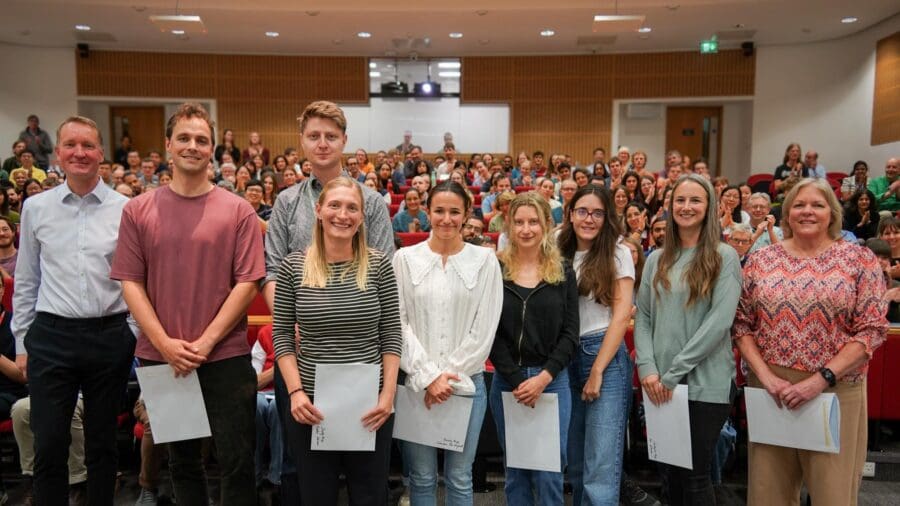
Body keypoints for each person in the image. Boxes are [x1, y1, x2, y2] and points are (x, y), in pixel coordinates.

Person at [111, 103, 265, 505]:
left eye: (201, 140)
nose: (192, 146)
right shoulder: (137, 210)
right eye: (184, 138)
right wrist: (164, 343)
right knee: (181, 462)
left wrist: (207, 342)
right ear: (168, 145)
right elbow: (131, 282)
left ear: (212, 148)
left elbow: (248, 282)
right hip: (162, 356)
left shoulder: (238, 210)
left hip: (226, 356)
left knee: (236, 460)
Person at [264, 101, 394, 501]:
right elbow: (274, 274)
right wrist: (298, 322)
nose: (322, 144)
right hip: (305, 360)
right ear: (302, 142)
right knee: (310, 479)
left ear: (344, 142)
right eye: (314, 136)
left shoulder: (370, 201)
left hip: (361, 368)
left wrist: (387, 392)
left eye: (331, 137)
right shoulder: (287, 202)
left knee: (367, 485)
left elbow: (385, 300)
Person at [732, 178, 888, 506]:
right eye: (799, 205)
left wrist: (819, 380)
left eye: (817, 205)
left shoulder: (859, 260)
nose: (807, 212)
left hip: (835, 389)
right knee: (766, 494)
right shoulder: (762, 261)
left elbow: (871, 330)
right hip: (771, 390)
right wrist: (766, 378)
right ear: (786, 214)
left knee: (833, 495)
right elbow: (742, 325)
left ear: (831, 213)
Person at [12, 116, 132, 505]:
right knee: (48, 443)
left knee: (101, 445)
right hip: (51, 336)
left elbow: (136, 279)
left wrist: (131, 330)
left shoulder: (125, 209)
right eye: (70, 145)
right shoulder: (35, 207)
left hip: (109, 335)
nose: (79, 153)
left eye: (88, 145)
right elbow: (27, 279)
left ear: (101, 153)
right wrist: (22, 341)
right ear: (58, 153)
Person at [634, 174, 742, 505]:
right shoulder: (656, 259)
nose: (686, 207)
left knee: (695, 476)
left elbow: (718, 324)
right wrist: (648, 369)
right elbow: (644, 317)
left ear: (709, 207)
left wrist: (671, 373)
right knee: (672, 476)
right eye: (680, 200)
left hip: (704, 385)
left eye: (695, 200)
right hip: (660, 385)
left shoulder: (724, 257)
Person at [394, 180, 503, 504]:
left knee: (459, 477)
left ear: (468, 213)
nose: (446, 219)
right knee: (422, 479)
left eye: (455, 212)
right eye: (439, 210)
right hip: (418, 386)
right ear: (427, 211)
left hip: (466, 385)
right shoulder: (404, 259)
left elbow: (484, 329)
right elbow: (398, 325)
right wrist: (428, 377)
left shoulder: (485, 262)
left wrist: (446, 377)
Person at [489, 192, 578, 505]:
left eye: (533, 222)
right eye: (519, 222)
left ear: (546, 225)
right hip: (508, 382)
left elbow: (570, 333)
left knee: (551, 470)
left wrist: (543, 377)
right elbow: (491, 333)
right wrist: (516, 378)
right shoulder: (495, 269)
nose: (526, 229)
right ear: (509, 226)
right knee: (516, 468)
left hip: (552, 382)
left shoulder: (563, 271)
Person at [558, 185, 634, 505]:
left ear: (607, 217)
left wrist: (598, 370)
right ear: (571, 213)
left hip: (602, 356)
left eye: (598, 213)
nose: (589, 219)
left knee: (599, 469)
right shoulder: (555, 245)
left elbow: (620, 317)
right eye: (582, 211)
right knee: (573, 464)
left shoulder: (618, 252)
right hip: (564, 357)